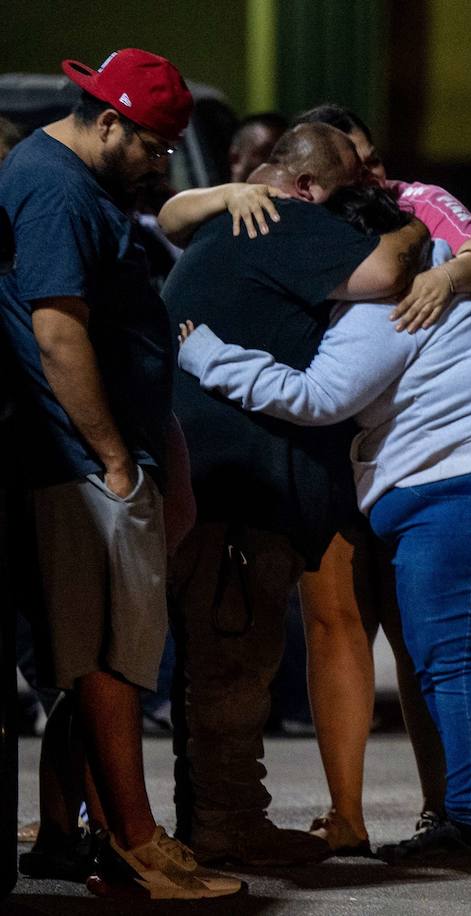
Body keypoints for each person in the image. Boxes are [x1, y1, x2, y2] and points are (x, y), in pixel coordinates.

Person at [175, 184, 471, 865]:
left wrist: (209, 355)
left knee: (456, 665)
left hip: (465, 492)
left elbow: (320, 396)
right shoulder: (446, 268)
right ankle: (464, 816)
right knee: (450, 662)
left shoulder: (387, 300)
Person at [0, 48, 240, 899]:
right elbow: (58, 333)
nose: (162, 161)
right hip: (83, 466)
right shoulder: (59, 189)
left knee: (95, 658)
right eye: (153, 143)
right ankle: (135, 848)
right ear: (108, 122)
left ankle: (67, 837)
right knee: (110, 661)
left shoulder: (71, 179)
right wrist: (113, 458)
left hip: (95, 460)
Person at [156, 122, 429, 866]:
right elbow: (383, 276)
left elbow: (173, 213)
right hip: (236, 492)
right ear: (307, 189)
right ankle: (229, 821)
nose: (349, 215)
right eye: (346, 198)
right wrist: (412, 228)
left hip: (187, 478)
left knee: (200, 661)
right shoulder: (285, 220)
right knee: (234, 663)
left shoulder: (224, 226)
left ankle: (192, 820)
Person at [287, 102, 471, 853]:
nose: (375, 175)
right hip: (327, 440)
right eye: (357, 165)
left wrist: (447, 273)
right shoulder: (295, 217)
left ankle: (450, 810)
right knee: (336, 626)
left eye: (376, 158)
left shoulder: (416, 203)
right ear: (316, 177)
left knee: (422, 638)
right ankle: (348, 816)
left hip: (401, 449)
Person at [228, 112, 287, 183]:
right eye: (265, 154)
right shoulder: (214, 193)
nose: (278, 165)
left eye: (284, 156)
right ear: (235, 159)